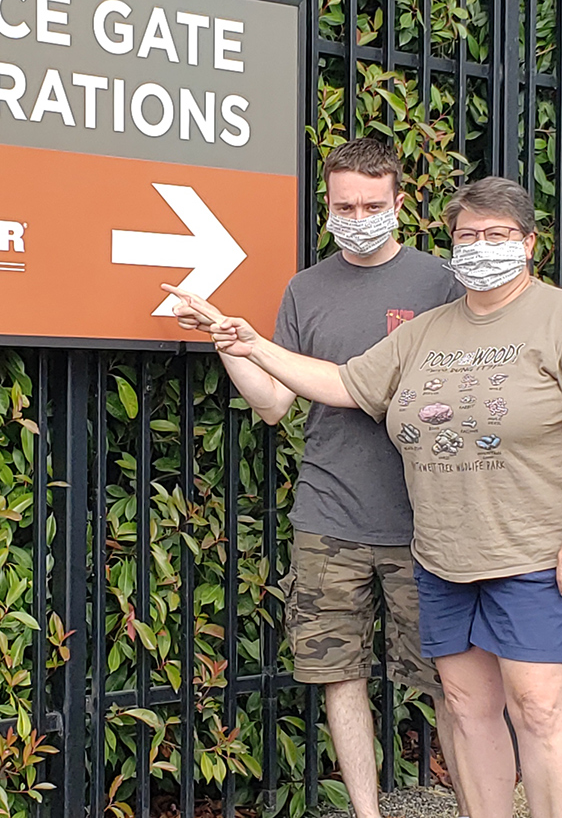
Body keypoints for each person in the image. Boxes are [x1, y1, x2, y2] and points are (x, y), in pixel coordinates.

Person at [173, 176, 562, 818]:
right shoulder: (428, 330)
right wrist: (251, 343)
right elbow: (340, 382)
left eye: (497, 235)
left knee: (537, 707)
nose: (480, 247)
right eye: (467, 235)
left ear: (529, 243)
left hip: (534, 553)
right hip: (443, 557)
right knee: (470, 709)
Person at [167, 138, 467, 818]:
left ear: (398, 203)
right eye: (343, 206)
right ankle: (368, 814)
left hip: (427, 523)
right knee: (340, 676)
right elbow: (274, 405)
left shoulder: (440, 284)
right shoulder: (307, 288)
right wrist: (224, 339)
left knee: (452, 684)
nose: (357, 216)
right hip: (330, 516)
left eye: (371, 205)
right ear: (327, 207)